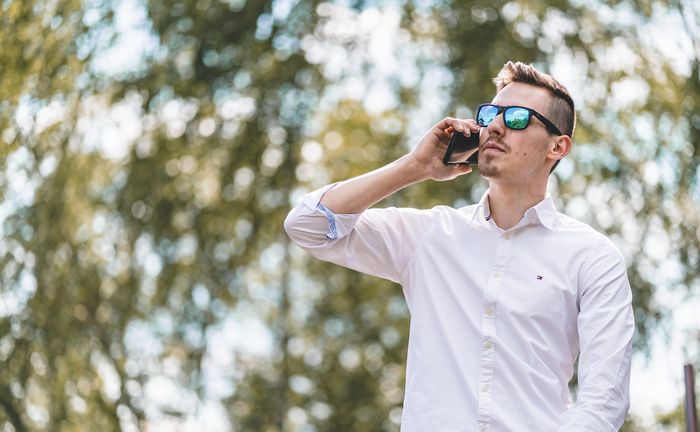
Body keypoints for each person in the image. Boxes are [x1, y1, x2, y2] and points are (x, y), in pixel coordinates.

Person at [284, 61, 634, 431]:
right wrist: (415, 166)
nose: (495, 126)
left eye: (517, 118)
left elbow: (603, 403)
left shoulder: (592, 256)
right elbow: (308, 225)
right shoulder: (430, 235)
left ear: (558, 146)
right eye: (489, 114)